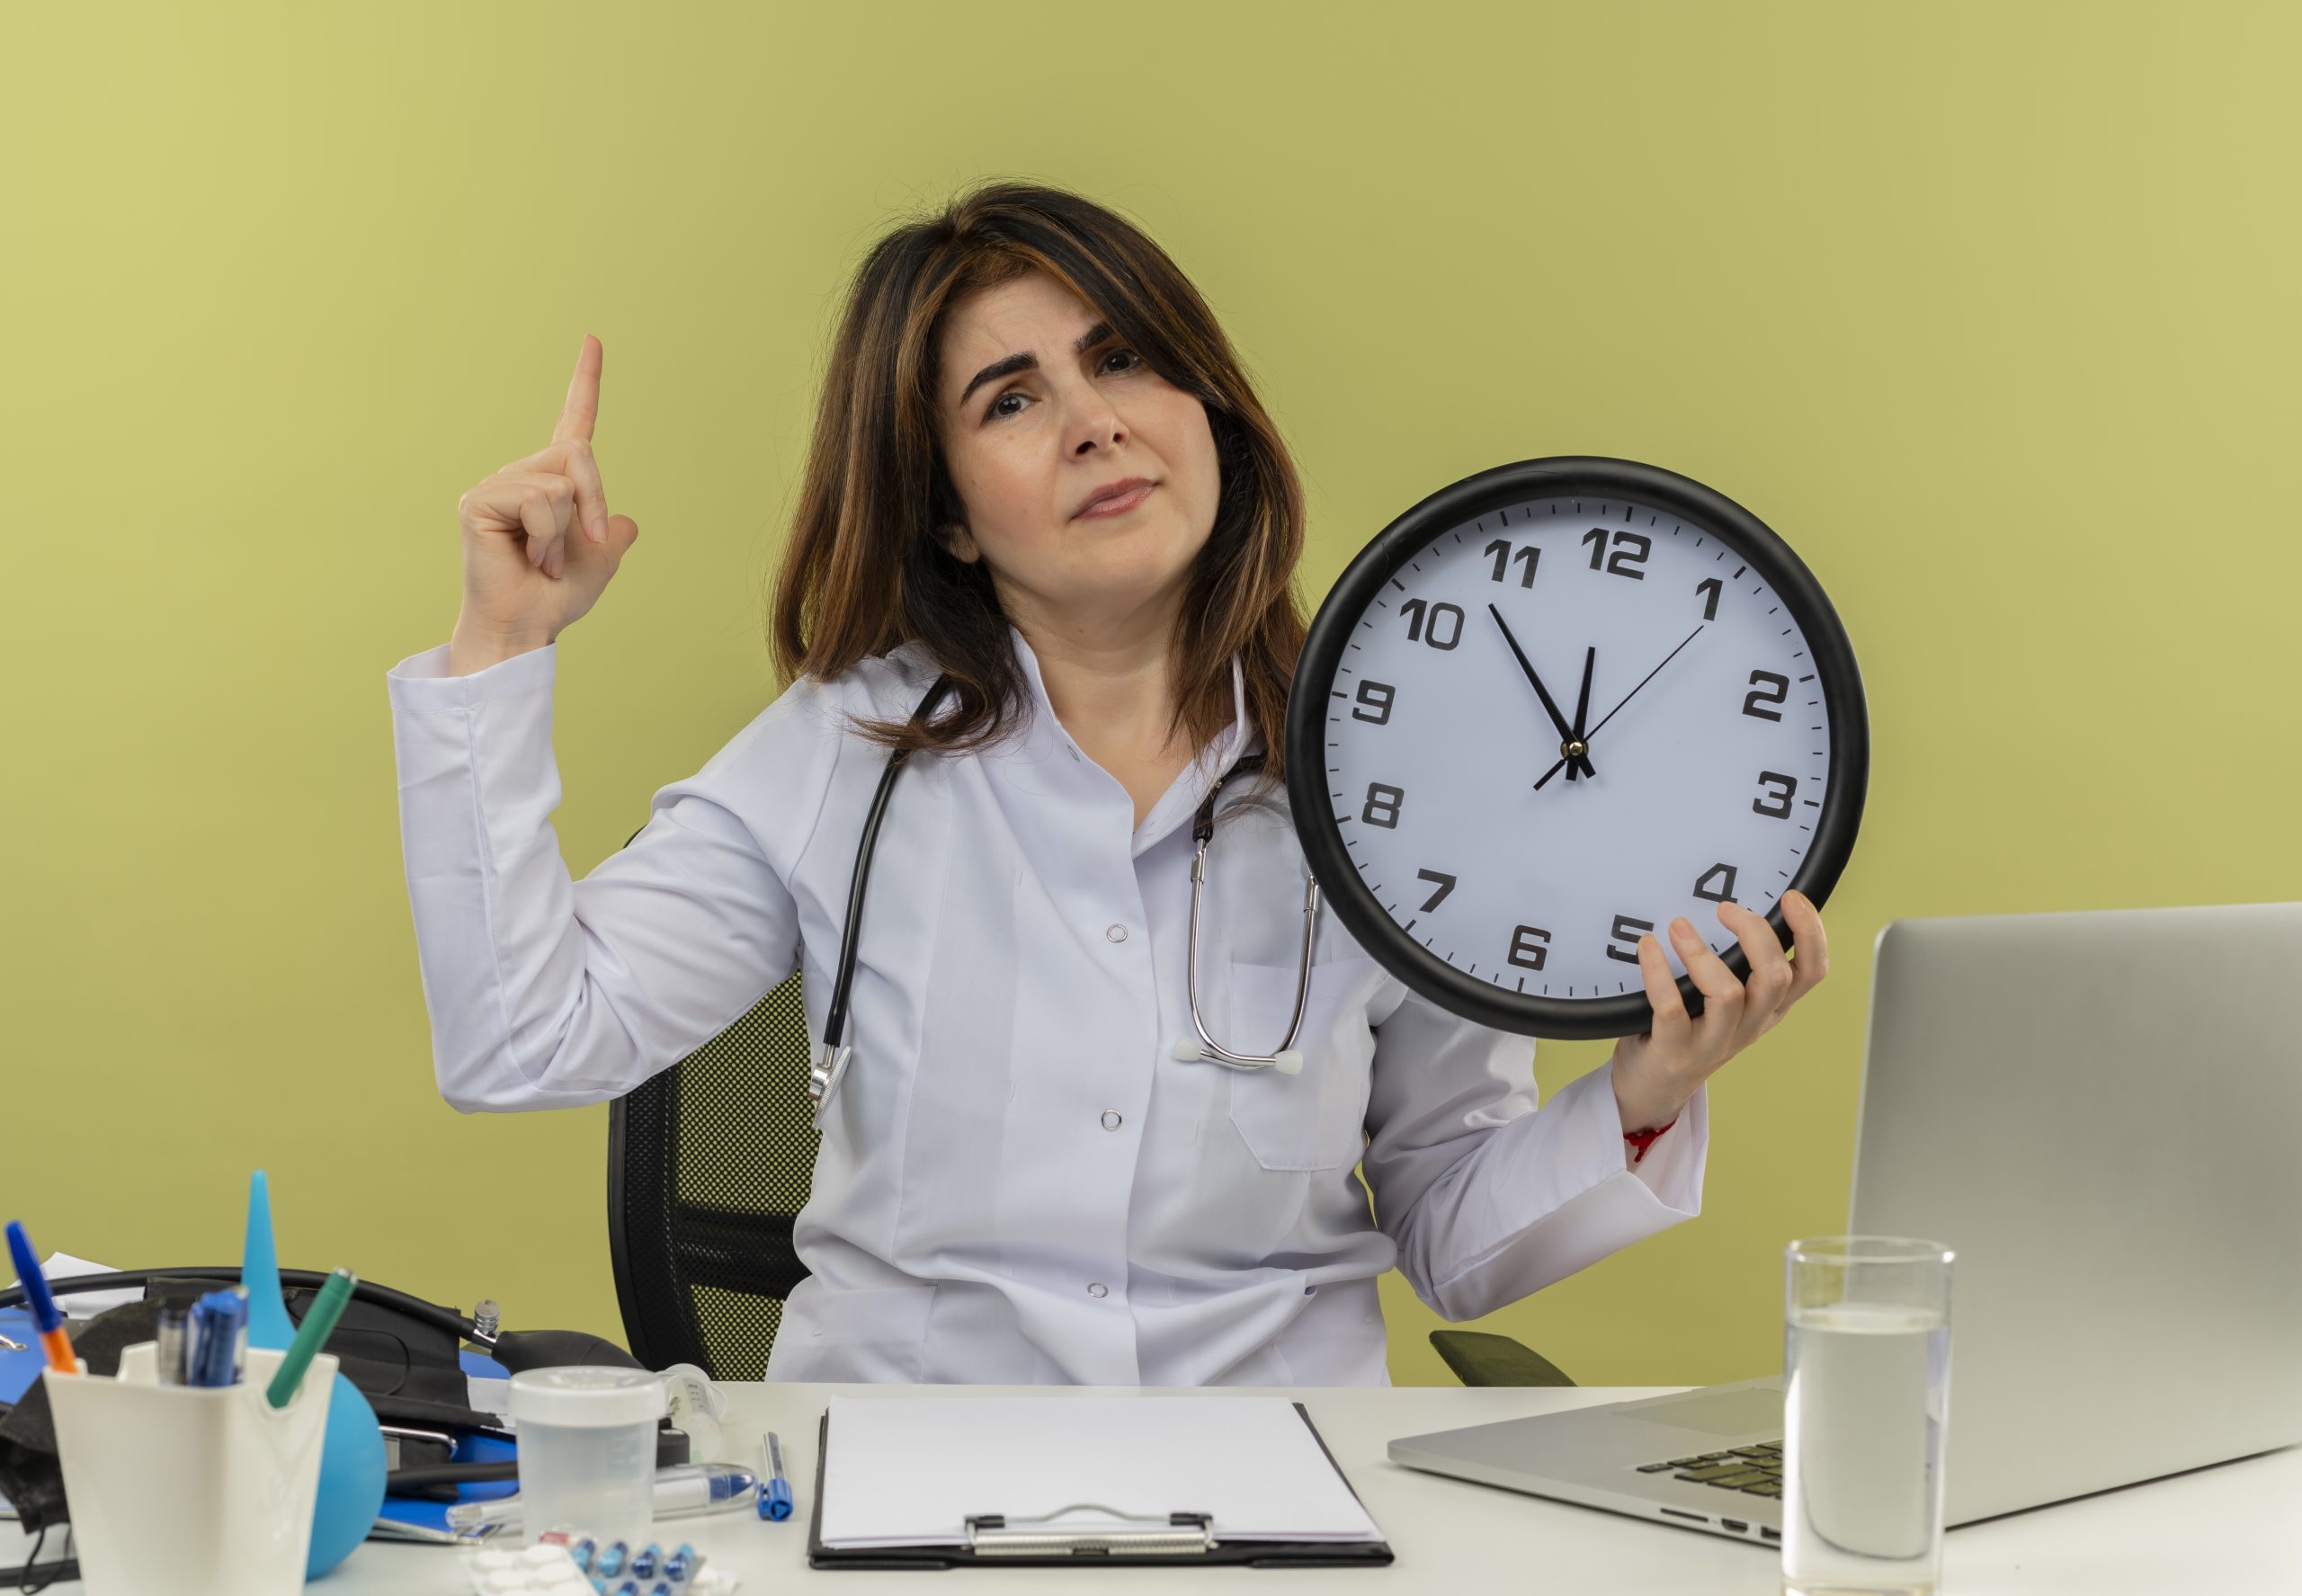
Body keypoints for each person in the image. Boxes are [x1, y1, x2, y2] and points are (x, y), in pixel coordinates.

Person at [386, 181, 1830, 1386]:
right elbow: (523, 1040)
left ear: (1207, 407)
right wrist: (499, 644)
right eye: (1012, 399)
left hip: (1283, 1493)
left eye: (1126, 359)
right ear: (946, 514)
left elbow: (1452, 1229)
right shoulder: (843, 754)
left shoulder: (1395, 786)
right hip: (900, 1490)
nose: (1094, 420)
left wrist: (1646, 1089)